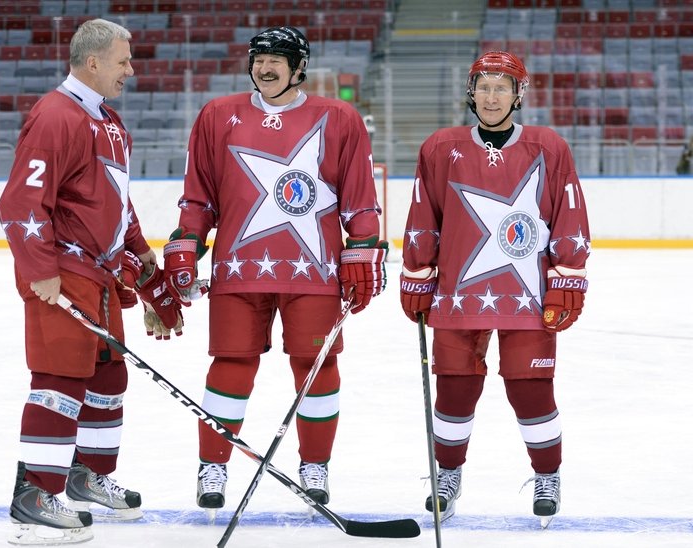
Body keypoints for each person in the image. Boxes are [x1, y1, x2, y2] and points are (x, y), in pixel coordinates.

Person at [161, 26, 387, 513]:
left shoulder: (340, 118)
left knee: (317, 365)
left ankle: (315, 465)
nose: (266, 67)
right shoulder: (217, 115)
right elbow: (199, 196)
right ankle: (213, 465)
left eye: (277, 59)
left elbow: (360, 201)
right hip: (240, 271)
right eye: (259, 58)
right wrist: (187, 244)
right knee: (231, 363)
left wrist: (363, 249)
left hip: (314, 271)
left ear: (299, 67)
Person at [0, 18, 182, 545]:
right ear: (93, 61)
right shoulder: (56, 117)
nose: (131, 69)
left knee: (107, 381)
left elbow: (118, 210)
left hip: (98, 276)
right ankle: (34, 492)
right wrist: (41, 271)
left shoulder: (109, 122)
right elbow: (19, 204)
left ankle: (86, 477)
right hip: (64, 272)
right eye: (123, 60)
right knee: (60, 380)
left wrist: (146, 271)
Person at [399, 51, 590, 526]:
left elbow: (570, 215)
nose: (491, 96)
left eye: (501, 87)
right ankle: (447, 474)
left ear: (518, 95)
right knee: (455, 391)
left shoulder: (548, 147)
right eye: (483, 86)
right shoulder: (441, 148)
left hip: (527, 293)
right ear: (471, 92)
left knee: (531, 391)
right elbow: (425, 217)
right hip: (459, 292)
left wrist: (567, 276)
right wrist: (419, 273)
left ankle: (548, 475)